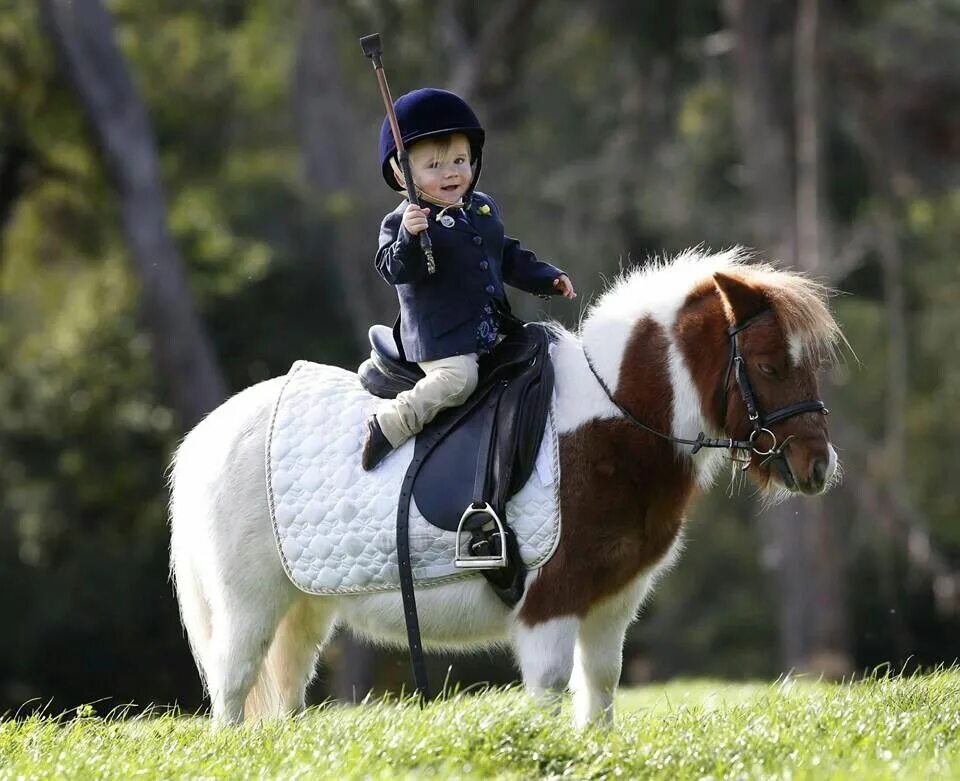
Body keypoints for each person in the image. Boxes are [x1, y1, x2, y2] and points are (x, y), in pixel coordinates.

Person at [362, 88, 576, 470]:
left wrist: (547, 277)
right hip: (441, 339)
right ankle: (392, 423)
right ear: (402, 172)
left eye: (460, 160)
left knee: (545, 350)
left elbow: (505, 253)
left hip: (488, 329)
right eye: (434, 166)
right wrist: (410, 238)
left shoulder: (480, 206)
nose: (451, 173)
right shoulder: (402, 221)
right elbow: (393, 269)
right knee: (460, 380)